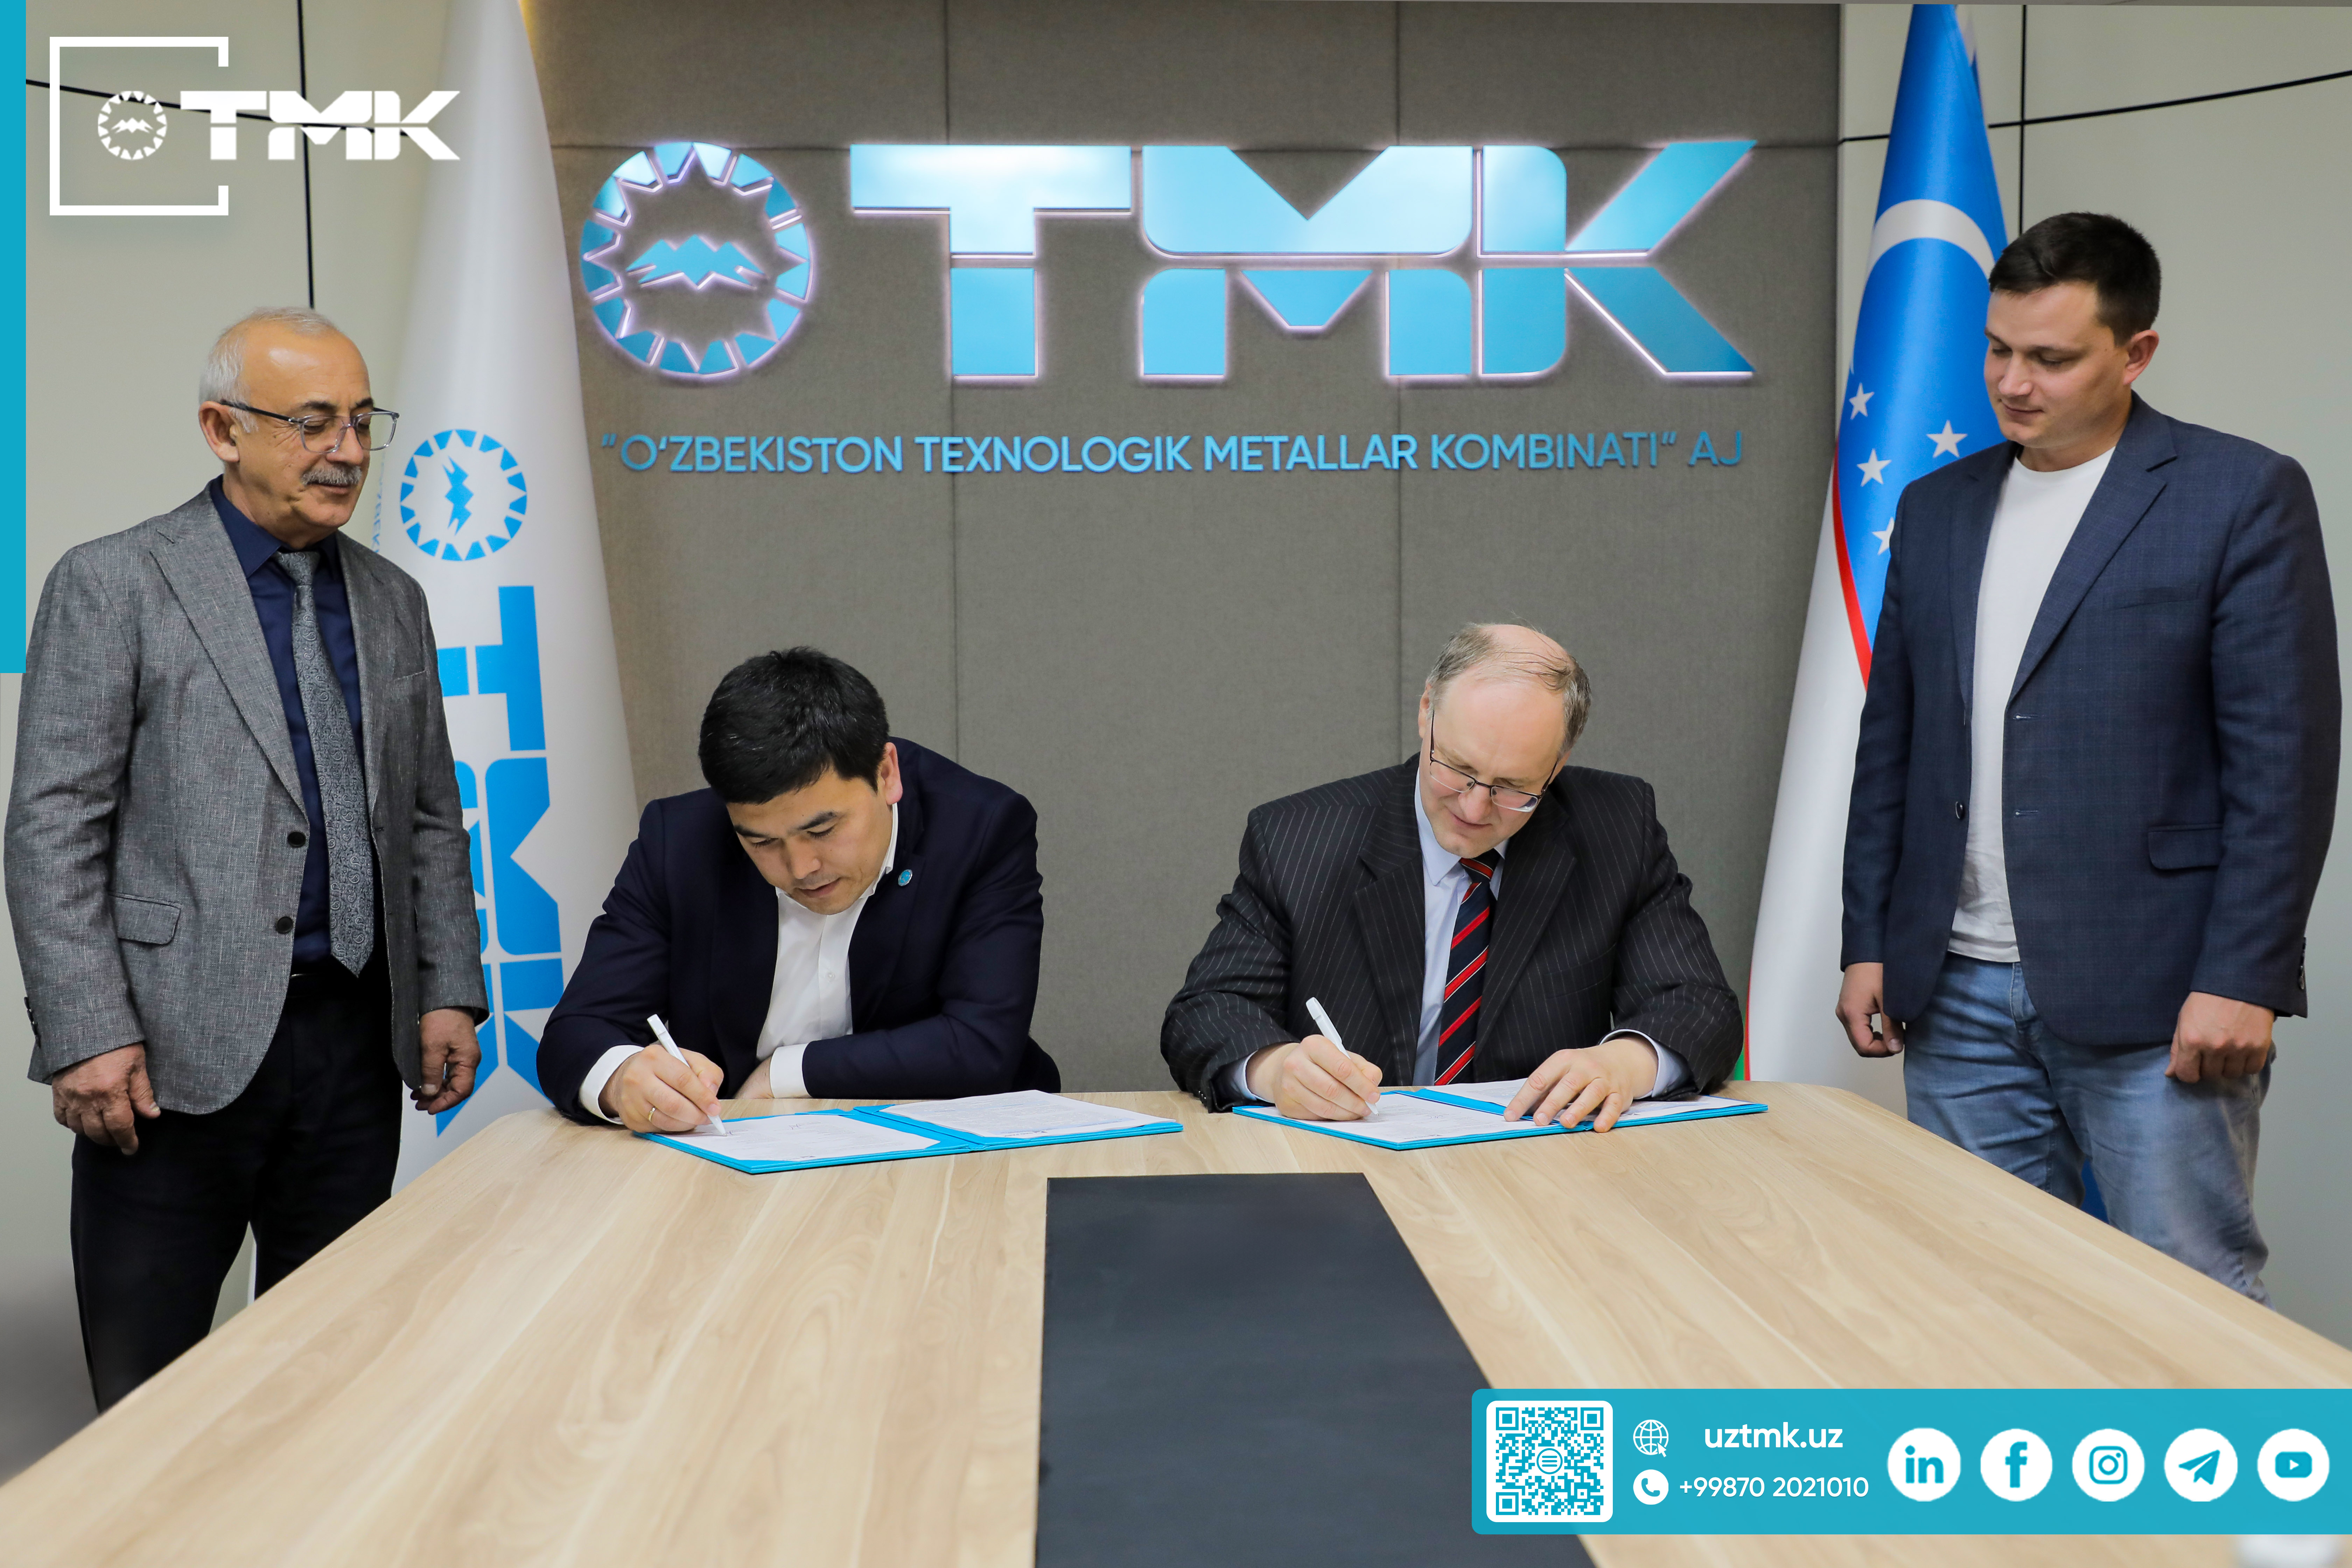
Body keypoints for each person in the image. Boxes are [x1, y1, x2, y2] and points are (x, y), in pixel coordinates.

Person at [1837, 213, 2339, 1299]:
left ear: (2136, 352)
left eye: (2051, 358)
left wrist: (2244, 978)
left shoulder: (2239, 494)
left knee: (2187, 1304)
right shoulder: (1936, 507)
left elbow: (2283, 767)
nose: (2013, 383)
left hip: (2159, 993)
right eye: (1997, 350)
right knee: (1984, 1300)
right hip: (1952, 988)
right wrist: (1868, 937)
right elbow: (1894, 743)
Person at [7, 307, 486, 1408]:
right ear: (224, 430)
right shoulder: (114, 582)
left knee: (333, 1384)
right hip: (169, 1061)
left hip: (356, 1047)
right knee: (148, 1398)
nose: (348, 451)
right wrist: (87, 1031)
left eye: (362, 422)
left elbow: (427, 814)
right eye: (314, 423)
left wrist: (447, 988)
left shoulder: (395, 600)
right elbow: (53, 826)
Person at [1163, 623, 1742, 1126]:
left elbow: (1702, 1006)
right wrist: (1275, 1071)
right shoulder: (1299, 838)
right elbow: (1207, 1009)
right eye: (1457, 769)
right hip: (1350, 1164)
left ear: (1558, 764)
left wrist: (1624, 1063)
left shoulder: (1617, 828)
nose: (1473, 807)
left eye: (1513, 788)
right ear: (1427, 713)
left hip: (1541, 1162)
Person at [540, 648, 1057, 1127]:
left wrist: (786, 1073)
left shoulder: (980, 828)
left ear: (886, 774)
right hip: (739, 1152)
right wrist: (621, 1078)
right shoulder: (680, 841)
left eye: (822, 830)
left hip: (953, 1141)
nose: (801, 867)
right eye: (762, 842)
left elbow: (981, 1042)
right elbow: (577, 1032)